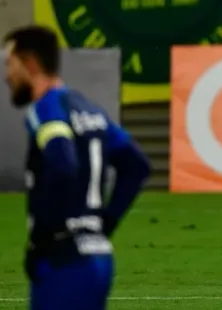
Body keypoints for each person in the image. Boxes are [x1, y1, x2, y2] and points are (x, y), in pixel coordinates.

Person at [3, 26, 150, 310]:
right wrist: (103, 224)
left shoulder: (45, 109)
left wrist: (42, 237)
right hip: (98, 257)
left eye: (11, 64)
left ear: (30, 63)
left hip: (63, 259)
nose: (8, 75)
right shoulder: (88, 109)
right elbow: (137, 166)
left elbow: (62, 162)